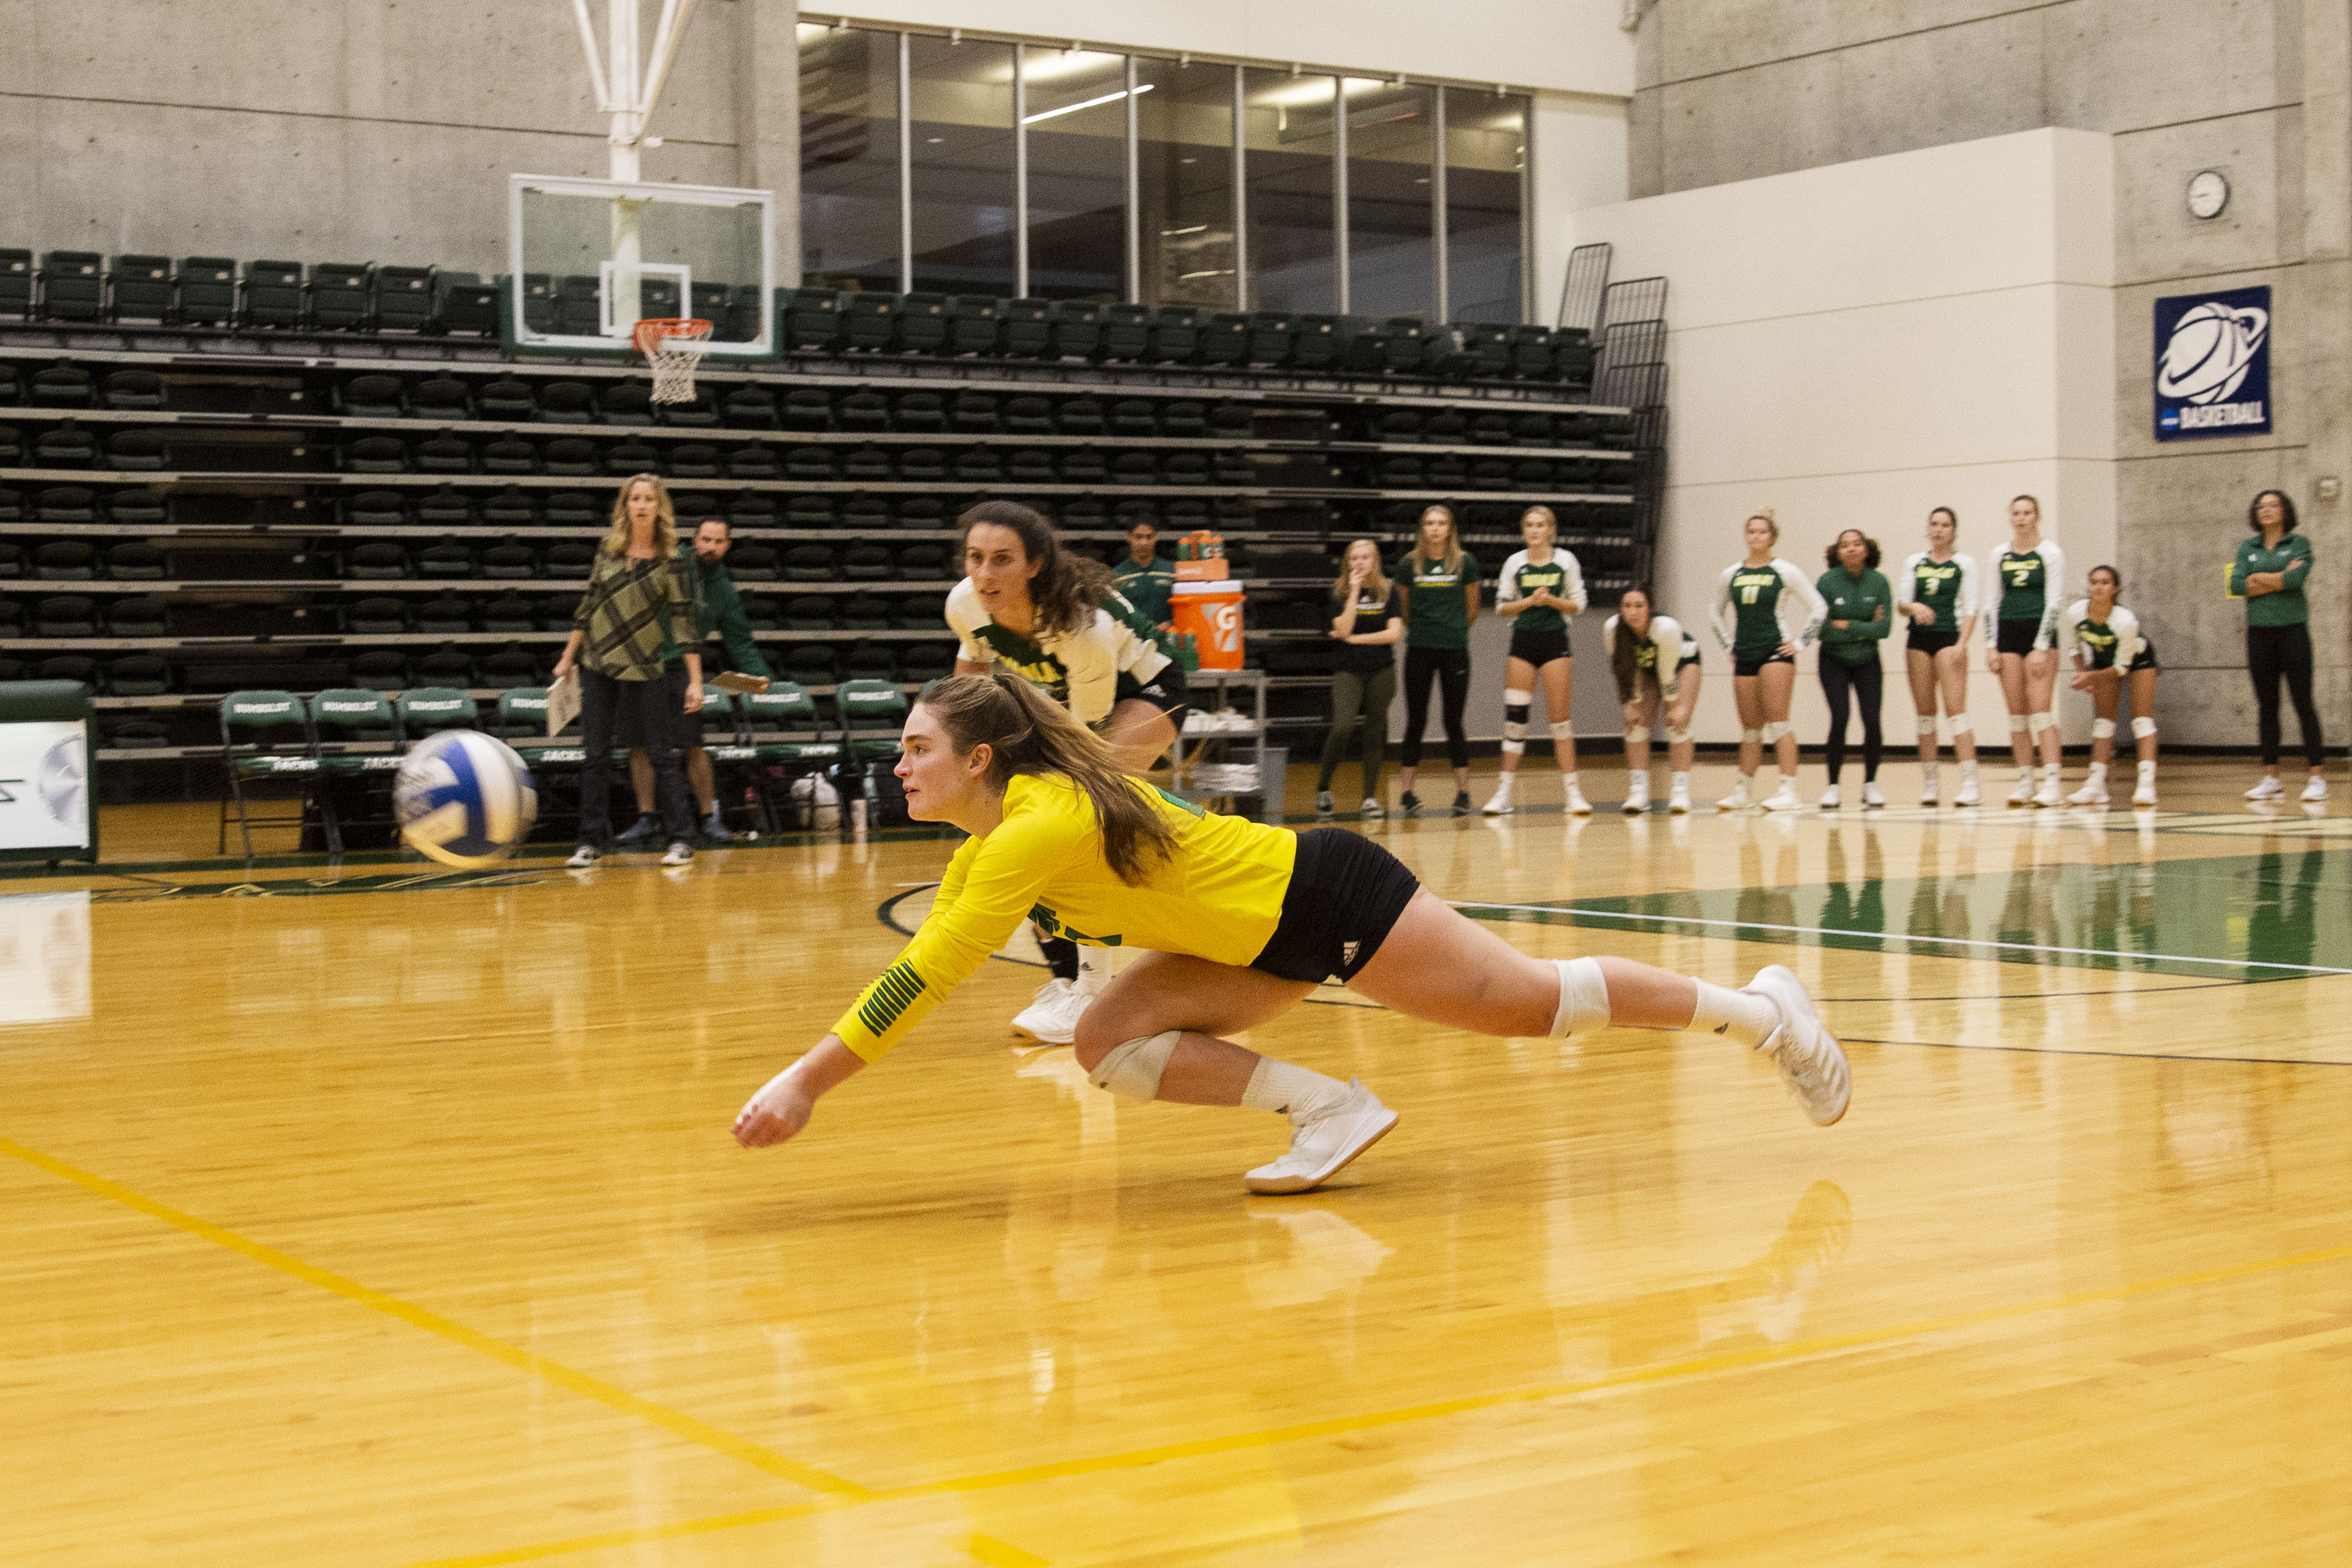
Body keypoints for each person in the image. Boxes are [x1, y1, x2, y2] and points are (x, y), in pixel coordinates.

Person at [731, 673, 1853, 1192]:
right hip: (1246, 940)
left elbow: (916, 979)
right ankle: (1333, 1109)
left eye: (916, 746)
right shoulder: (991, 846)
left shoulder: (1034, 825)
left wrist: (802, 1083)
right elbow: (926, 973)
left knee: (1536, 1004)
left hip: (1322, 897)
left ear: (977, 759)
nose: (899, 762)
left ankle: (1765, 1018)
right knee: (1105, 1041)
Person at [948, 500, 1190, 1045]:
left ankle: (1092, 997)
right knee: (1026, 828)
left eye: (1002, 560)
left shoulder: (1080, 627)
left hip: (1149, 689)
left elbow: (1084, 751)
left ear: (1034, 565)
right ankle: (1066, 983)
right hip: (1068, 701)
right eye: (976, 558)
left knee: (1081, 816)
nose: (985, 574)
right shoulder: (964, 605)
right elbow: (966, 688)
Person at [552, 473, 702, 870]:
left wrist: (696, 681)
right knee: (595, 755)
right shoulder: (609, 549)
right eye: (634, 498)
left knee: (661, 754)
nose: (641, 504)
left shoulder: (673, 559)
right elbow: (588, 606)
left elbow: (685, 624)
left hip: (646, 663)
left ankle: (681, 839)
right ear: (625, 506)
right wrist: (568, 657)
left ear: (659, 507)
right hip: (598, 662)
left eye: (648, 498)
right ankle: (588, 842)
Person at [613, 515, 771, 846]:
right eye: (705, 540)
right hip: (641, 661)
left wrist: (757, 673)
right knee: (638, 744)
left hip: (683, 668)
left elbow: (739, 640)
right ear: (694, 541)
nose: (710, 547)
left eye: (717, 542)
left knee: (693, 744)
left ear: (727, 547)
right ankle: (646, 818)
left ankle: (709, 817)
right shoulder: (670, 561)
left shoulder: (724, 591)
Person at [1710, 509, 1827, 812]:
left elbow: (1818, 607)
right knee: (1750, 727)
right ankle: (1743, 791)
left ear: (1773, 538)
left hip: (1775, 651)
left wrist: (1800, 643)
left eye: (1763, 532)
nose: (1756, 536)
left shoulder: (1785, 571)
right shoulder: (1731, 574)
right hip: (1745, 653)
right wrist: (1729, 645)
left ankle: (1789, 790)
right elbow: (1715, 612)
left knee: (1778, 721)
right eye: (1751, 531)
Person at [1485, 505, 1589, 816]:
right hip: (1523, 645)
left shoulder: (1565, 561)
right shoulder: (1514, 563)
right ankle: (1503, 794)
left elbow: (1579, 605)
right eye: (1529, 525)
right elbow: (1501, 608)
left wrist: (1552, 601)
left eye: (1540, 525)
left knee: (1560, 721)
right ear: (1523, 531)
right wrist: (1530, 601)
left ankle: (1573, 795)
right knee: (1515, 721)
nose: (1534, 530)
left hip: (1555, 643)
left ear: (1551, 530)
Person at [2229, 488, 2327, 803]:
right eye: (2261, 506)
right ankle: (2271, 777)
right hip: (2259, 634)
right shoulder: (2248, 546)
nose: (2266, 510)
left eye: (2273, 505)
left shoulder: (2299, 543)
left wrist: (2260, 580)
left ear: (2285, 510)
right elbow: (2236, 585)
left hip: (2293, 633)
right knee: (2267, 705)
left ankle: (2316, 777)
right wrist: (2279, 576)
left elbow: (2295, 582)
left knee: (2303, 703)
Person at [1392, 505, 1480, 817]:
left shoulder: (1465, 563)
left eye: (1441, 523)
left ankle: (1463, 793)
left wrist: (1450, 631)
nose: (1435, 528)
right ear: (1422, 528)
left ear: (1450, 528)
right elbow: (1403, 609)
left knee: (1453, 721)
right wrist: (1427, 629)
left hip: (1454, 649)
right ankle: (1406, 792)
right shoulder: (1408, 565)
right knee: (1416, 720)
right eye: (1429, 523)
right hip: (1419, 649)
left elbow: (1472, 609)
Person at [1896, 506, 1982, 807]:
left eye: (1945, 525)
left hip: (1949, 638)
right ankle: (1931, 783)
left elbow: (1971, 608)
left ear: (1954, 531)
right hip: (1918, 640)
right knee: (1925, 714)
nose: (1938, 530)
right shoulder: (1914, 562)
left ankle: (1971, 783)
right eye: (1934, 524)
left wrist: (1962, 644)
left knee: (1956, 711)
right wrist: (1915, 608)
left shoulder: (1965, 563)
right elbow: (1901, 603)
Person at [1316, 538, 1404, 817]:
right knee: (1342, 726)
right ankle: (1323, 787)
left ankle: (1370, 797)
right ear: (1347, 563)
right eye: (1354, 558)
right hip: (1347, 669)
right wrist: (1354, 591)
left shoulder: (1388, 592)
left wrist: (1354, 639)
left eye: (1365, 558)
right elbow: (1342, 628)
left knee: (1376, 731)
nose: (1360, 563)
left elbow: (1394, 634)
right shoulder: (1339, 592)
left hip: (1382, 669)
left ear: (1375, 561)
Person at [2059, 565, 2159, 808]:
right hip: (2104, 660)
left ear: (2115, 589)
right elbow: (2074, 647)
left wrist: (2092, 678)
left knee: (2142, 720)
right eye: (2094, 582)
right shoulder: (2075, 614)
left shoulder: (2124, 621)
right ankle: (2096, 785)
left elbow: (2122, 669)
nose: (2099, 587)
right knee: (2103, 722)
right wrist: (2083, 673)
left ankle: (2147, 784)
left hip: (2138, 660)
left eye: (2105, 583)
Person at [1989, 495, 2066, 808]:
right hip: (2008, 633)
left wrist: (2041, 646)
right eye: (2016, 514)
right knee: (2017, 714)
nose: (2021, 518)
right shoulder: (1999, 554)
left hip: (2039, 633)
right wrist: (1991, 645)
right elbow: (1991, 602)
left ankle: (2053, 782)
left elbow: (2055, 601)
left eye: (2028, 513)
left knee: (2041, 710)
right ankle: (2025, 781)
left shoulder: (2050, 553)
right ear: (2011, 518)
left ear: (2037, 517)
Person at [1604, 585, 1701, 814]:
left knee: (1678, 720)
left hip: (1682, 663)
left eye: (1639, 606)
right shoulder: (1612, 629)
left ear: (1650, 609)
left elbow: (1667, 673)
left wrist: (1675, 708)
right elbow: (1624, 670)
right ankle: (1639, 791)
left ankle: (1680, 791)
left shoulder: (1665, 629)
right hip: (1648, 669)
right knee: (1636, 722)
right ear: (1621, 610)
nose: (1633, 612)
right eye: (1627, 606)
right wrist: (1632, 705)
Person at [1815, 529, 1892, 809]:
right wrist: (1864, 629)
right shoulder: (1827, 582)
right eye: (1844, 545)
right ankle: (1833, 786)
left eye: (1857, 544)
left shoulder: (1879, 582)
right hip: (1833, 660)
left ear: (1867, 549)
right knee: (1840, 717)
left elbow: (1884, 629)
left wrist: (1846, 624)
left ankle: (1870, 783)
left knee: (1871, 719)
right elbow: (1821, 628)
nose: (1851, 549)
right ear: (1837, 552)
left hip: (1868, 661)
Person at [1111, 515, 1175, 629]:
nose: (1144, 543)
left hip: (1168, 639)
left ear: (1156, 537)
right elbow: (1115, 617)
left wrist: (1171, 623)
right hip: (1134, 642)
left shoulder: (1171, 571)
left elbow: (1182, 610)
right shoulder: (1117, 576)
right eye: (1138, 537)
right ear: (1129, 537)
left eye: (1149, 537)